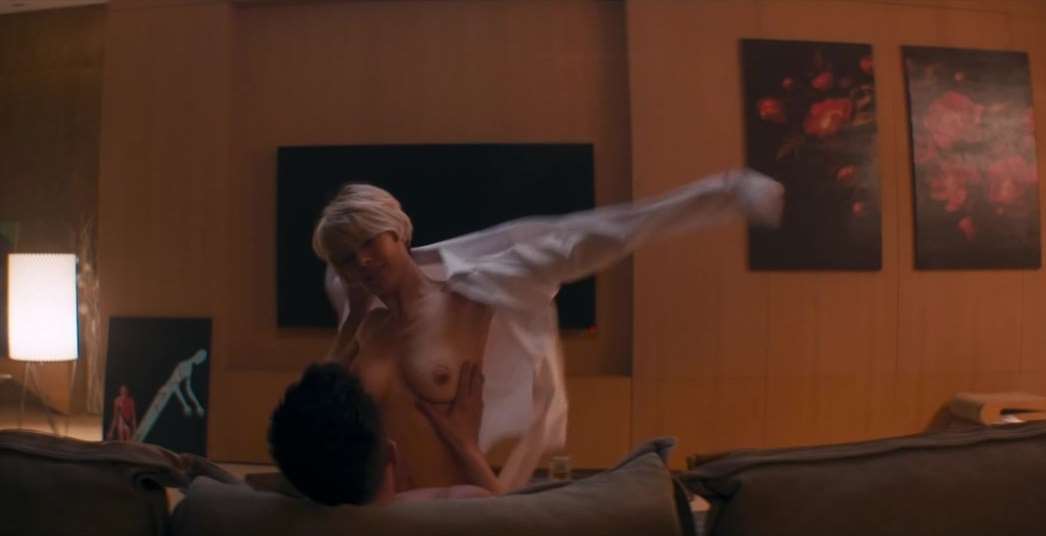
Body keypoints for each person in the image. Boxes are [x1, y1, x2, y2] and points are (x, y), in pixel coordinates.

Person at [313, 169, 785, 490]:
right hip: (377, 514)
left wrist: (719, 194)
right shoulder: (367, 329)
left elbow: (587, 239)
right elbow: (317, 416)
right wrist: (351, 320)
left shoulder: (467, 299)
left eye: (368, 242)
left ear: (398, 231)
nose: (363, 262)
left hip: (456, 511)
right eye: (347, 258)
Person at [268, 361, 502, 505]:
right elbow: (510, 519)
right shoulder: (454, 506)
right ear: (392, 453)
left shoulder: (279, 520)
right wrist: (468, 447)